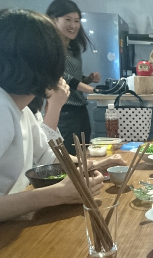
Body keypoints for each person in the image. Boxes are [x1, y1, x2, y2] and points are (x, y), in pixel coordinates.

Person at [0, 9, 104, 225]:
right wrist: (57, 194)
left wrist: (94, 166)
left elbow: (48, 159)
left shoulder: (21, 107)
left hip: (11, 227)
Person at [46, 0, 101, 154]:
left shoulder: (72, 48)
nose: (73, 25)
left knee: (83, 153)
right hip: (64, 110)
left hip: (80, 109)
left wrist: (87, 79)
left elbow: (73, 77)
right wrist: (89, 88)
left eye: (77, 21)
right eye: (67, 20)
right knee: (67, 156)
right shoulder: (51, 48)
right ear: (53, 20)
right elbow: (62, 77)